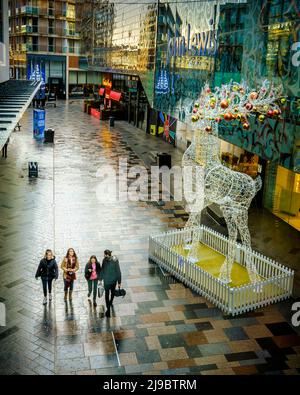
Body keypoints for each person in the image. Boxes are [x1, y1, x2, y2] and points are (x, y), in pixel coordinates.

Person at [101, 250, 121, 318]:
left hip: (110, 281)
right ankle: (109, 308)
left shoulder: (112, 260)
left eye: (104, 254)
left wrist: (119, 282)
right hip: (109, 281)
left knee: (110, 293)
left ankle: (109, 306)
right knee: (109, 294)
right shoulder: (105, 260)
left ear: (107, 255)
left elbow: (118, 271)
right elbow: (103, 270)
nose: (103, 255)